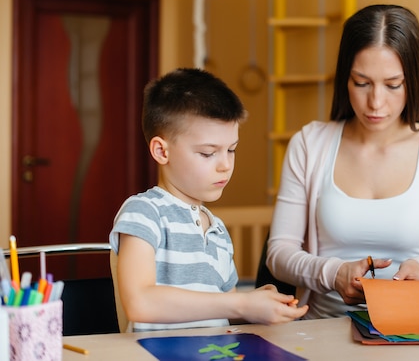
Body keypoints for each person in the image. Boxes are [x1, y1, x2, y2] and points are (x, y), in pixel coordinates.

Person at [266, 4, 419, 319]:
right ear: (345, 78)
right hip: (320, 331)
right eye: (362, 83)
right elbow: (279, 254)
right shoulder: (309, 144)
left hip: (415, 329)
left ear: (412, 80)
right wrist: (333, 273)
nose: (376, 102)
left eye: (393, 85)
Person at [109, 68, 308, 332]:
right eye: (207, 153)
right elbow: (140, 302)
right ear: (161, 151)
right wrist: (240, 304)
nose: (225, 165)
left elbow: (227, 309)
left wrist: (257, 304)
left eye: (232, 150)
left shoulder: (217, 231)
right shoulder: (144, 213)